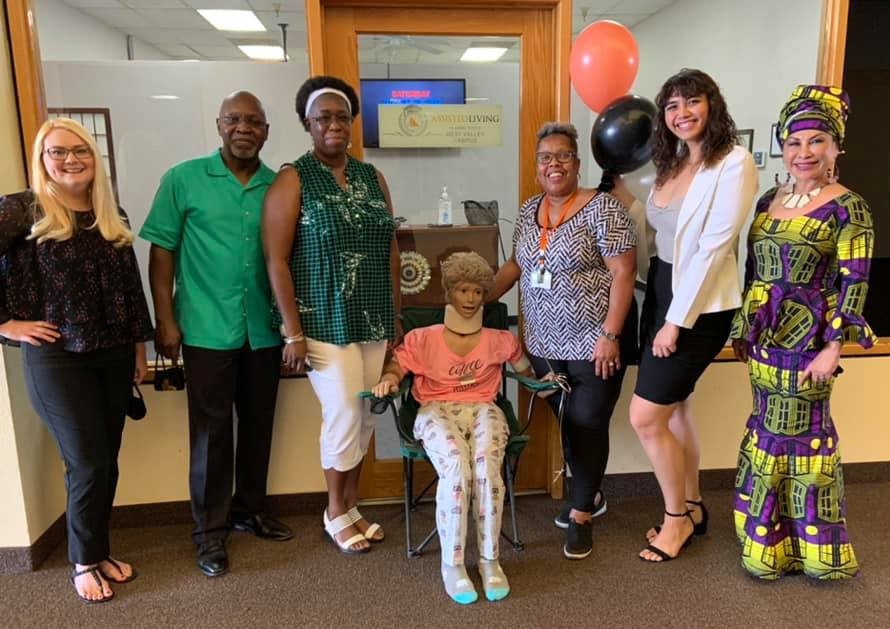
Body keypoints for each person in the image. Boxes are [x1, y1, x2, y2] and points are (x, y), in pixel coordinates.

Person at [141, 91, 293, 579]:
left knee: (259, 424)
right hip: (205, 327)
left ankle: (250, 510)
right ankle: (209, 531)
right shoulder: (183, 179)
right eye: (233, 119)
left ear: (266, 131)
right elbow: (161, 252)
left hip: (263, 329)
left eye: (253, 121)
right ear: (219, 125)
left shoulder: (279, 185)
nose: (243, 128)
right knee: (211, 434)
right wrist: (165, 319)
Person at [0, 118, 152, 603]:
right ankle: (83, 560)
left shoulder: (111, 213)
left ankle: (98, 550)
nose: (70, 159)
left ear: (94, 157)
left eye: (80, 150)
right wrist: (6, 324)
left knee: (105, 461)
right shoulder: (20, 210)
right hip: (57, 360)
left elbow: (130, 287)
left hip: (112, 355)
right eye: (58, 151)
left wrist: (139, 349)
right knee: (86, 462)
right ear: (42, 159)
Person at [610, 68, 758, 562]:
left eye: (692, 101)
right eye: (672, 106)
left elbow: (713, 247)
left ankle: (676, 521)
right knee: (675, 411)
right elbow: (660, 230)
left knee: (645, 416)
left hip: (699, 305)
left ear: (712, 105)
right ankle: (692, 506)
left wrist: (676, 321)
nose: (682, 113)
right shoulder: (671, 164)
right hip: (661, 291)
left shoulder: (733, 163)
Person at [730, 85, 875, 580]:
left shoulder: (849, 207)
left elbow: (855, 281)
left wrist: (834, 347)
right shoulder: (769, 199)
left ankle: (816, 554)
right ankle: (767, 545)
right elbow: (754, 270)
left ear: (836, 147)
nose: (804, 152)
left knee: (804, 439)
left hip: (811, 344)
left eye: (817, 141)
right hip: (765, 343)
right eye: (794, 142)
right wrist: (745, 326)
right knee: (766, 432)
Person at [263, 75, 401, 555]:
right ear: (308, 124)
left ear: (352, 122)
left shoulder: (372, 177)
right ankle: (334, 510)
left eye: (342, 117)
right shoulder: (293, 178)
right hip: (322, 321)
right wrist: (292, 332)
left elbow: (390, 249)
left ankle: (353, 505)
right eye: (323, 118)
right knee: (342, 413)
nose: (334, 125)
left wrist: (396, 316)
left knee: (365, 416)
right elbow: (276, 260)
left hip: (373, 317)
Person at [491, 122, 637, 560]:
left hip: (595, 340)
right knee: (568, 420)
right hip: (542, 342)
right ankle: (590, 494)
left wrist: (610, 334)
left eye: (562, 156)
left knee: (588, 421)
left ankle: (581, 513)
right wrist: (476, 295)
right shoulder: (528, 210)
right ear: (537, 165)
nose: (553, 164)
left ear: (576, 162)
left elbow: (624, 273)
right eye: (545, 157)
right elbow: (516, 265)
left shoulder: (603, 208)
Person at [372, 251, 532, 604]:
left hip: (484, 408)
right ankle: (453, 564)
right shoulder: (423, 338)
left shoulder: (499, 339)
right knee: (457, 468)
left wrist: (545, 383)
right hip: (434, 409)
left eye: (478, 291)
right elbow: (397, 367)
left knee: (486, 468)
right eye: (463, 290)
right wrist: (389, 378)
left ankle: (489, 560)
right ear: (449, 291)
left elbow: (525, 370)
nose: (471, 299)